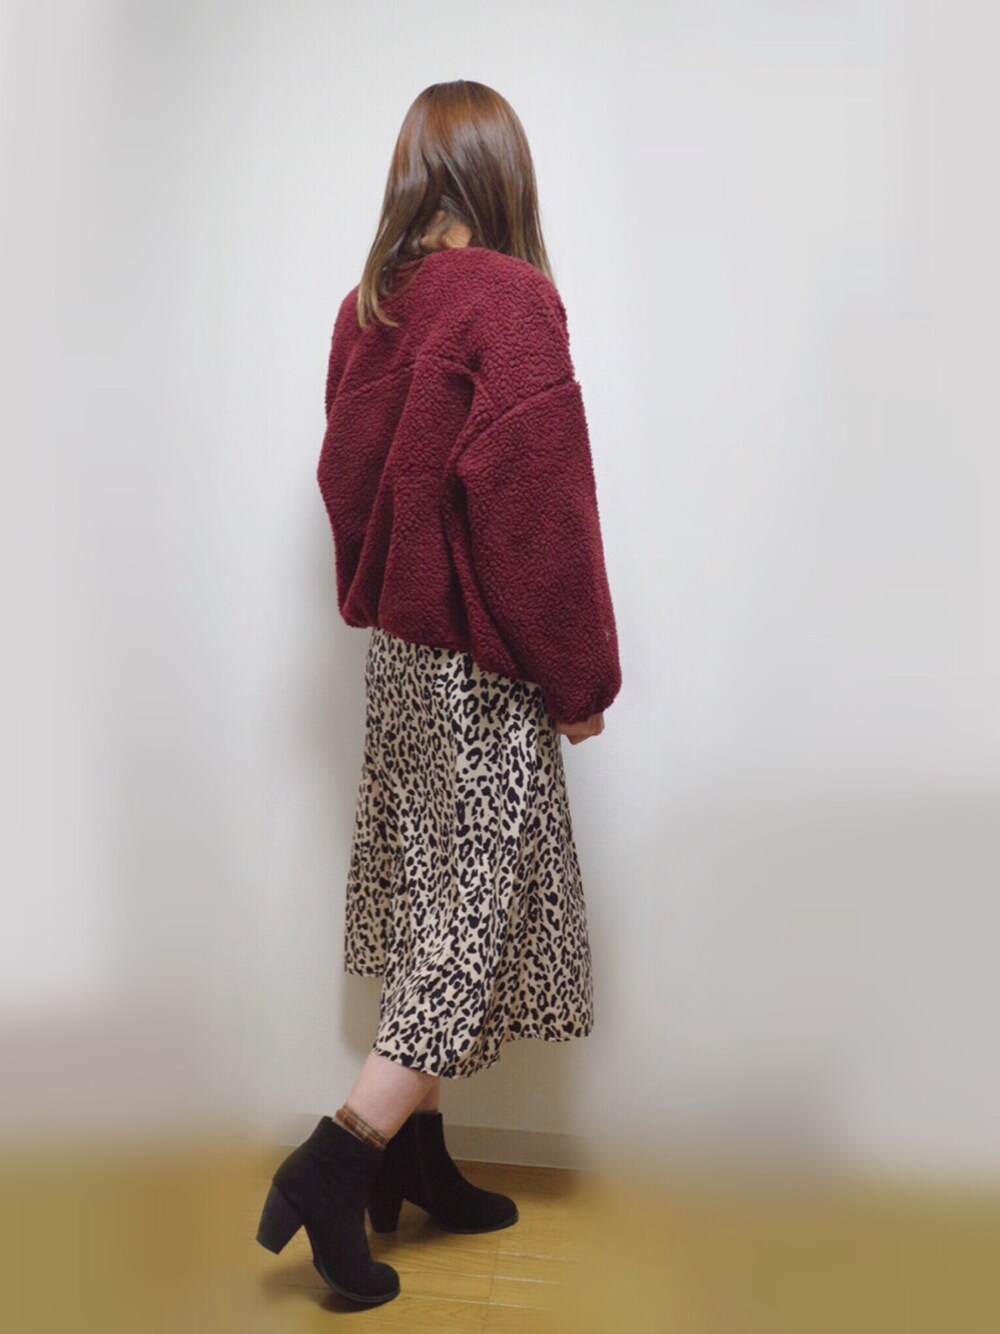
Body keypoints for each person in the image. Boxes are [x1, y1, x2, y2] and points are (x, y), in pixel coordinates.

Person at [256, 79, 623, 1306]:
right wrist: (576, 675)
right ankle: (339, 1155)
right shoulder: (509, 301)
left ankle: (419, 1155)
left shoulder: (369, 309)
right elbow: (537, 513)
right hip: (477, 662)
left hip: (402, 661)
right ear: (503, 176)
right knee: (469, 919)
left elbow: (347, 485)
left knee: (431, 903)